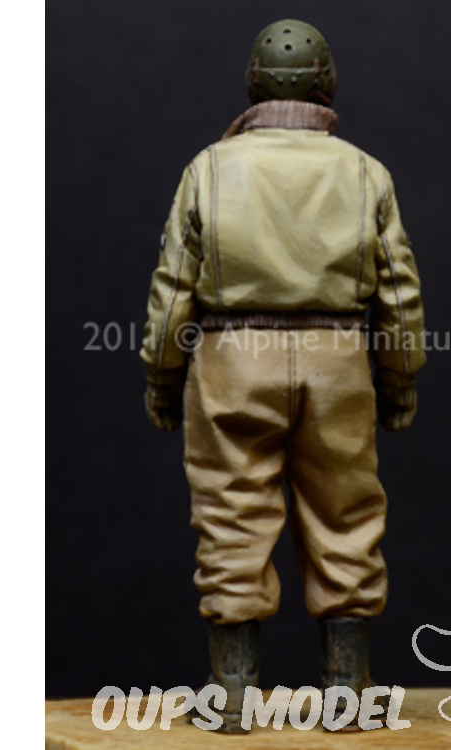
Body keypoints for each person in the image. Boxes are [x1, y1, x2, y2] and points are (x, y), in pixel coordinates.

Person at [140, 18, 426, 732]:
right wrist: (398, 377)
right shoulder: (364, 171)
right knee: (348, 515)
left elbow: (173, 287)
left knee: (231, 513)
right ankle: (349, 690)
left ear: (253, 84)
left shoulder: (210, 167)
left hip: (234, 360)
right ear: (325, 84)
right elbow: (398, 289)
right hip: (338, 362)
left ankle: (231, 693)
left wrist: (162, 374)